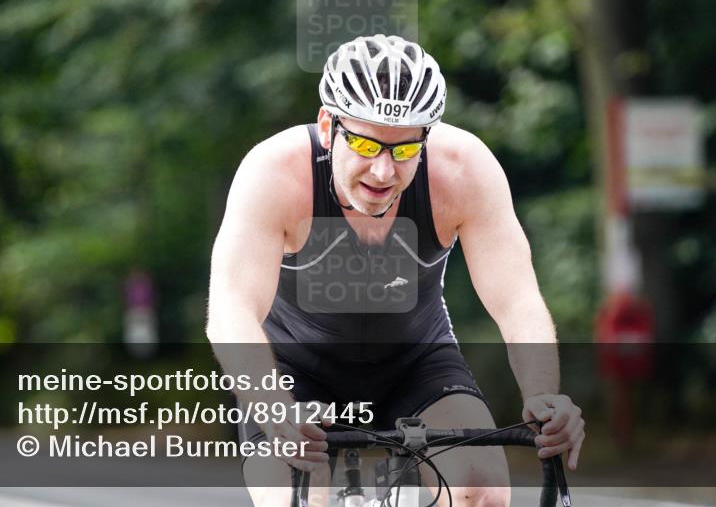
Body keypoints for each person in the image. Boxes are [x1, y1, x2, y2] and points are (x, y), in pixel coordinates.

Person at [207, 35, 585, 507]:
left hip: (416, 361)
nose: (384, 172)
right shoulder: (276, 173)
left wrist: (543, 395)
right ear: (328, 126)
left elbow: (517, 300)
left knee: (481, 489)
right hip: (295, 370)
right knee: (292, 497)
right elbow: (231, 308)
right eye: (365, 144)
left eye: (404, 151)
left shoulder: (464, 170)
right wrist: (270, 406)